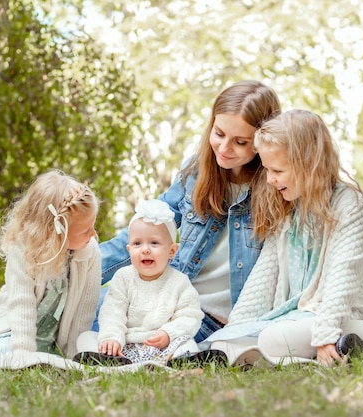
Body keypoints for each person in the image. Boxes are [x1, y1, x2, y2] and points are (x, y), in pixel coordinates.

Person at [198, 109, 363, 367]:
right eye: (268, 170)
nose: (270, 180)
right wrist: (236, 327)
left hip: (339, 313)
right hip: (293, 316)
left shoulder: (347, 203)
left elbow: (343, 275)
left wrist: (326, 335)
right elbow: (265, 274)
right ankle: (345, 342)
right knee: (224, 345)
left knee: (274, 341)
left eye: (278, 171)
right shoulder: (286, 205)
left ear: (308, 164)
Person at [98, 80, 282, 343]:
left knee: (108, 333)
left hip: (207, 318)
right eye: (219, 134)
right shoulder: (197, 173)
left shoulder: (277, 187)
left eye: (240, 142)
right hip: (164, 295)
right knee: (94, 311)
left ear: (262, 141)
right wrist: (81, 268)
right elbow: (148, 227)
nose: (225, 148)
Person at [0, 170, 101, 358]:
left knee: (48, 359)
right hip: (14, 330)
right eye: (85, 230)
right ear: (56, 231)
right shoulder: (24, 248)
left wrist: (74, 357)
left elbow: (84, 312)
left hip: (45, 339)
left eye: (93, 225)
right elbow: (21, 302)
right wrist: (24, 355)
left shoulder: (90, 253)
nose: (93, 234)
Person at [75, 200, 206, 365]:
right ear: (129, 250)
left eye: (154, 243)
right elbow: (112, 312)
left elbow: (190, 316)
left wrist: (168, 334)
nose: (145, 249)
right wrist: (112, 338)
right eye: (137, 243)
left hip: (163, 347)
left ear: (172, 251)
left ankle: (181, 361)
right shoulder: (123, 278)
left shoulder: (179, 282)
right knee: (86, 337)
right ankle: (112, 360)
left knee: (187, 342)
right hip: (125, 347)